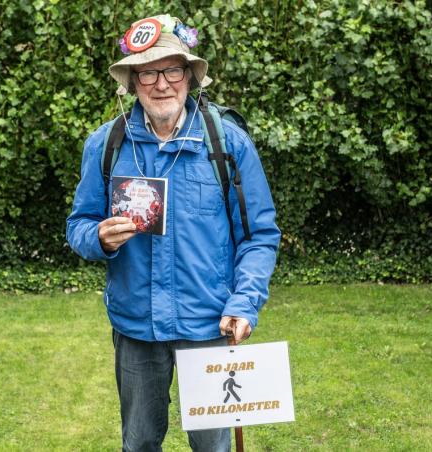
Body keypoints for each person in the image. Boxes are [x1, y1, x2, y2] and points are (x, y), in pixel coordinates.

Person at [66, 14, 280, 452]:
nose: (161, 84)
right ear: (133, 81)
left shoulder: (228, 144)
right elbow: (78, 225)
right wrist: (99, 239)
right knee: (140, 444)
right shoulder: (105, 145)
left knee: (211, 447)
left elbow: (259, 235)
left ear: (189, 76)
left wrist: (244, 302)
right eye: (148, 72)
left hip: (209, 325)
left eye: (172, 70)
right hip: (136, 328)